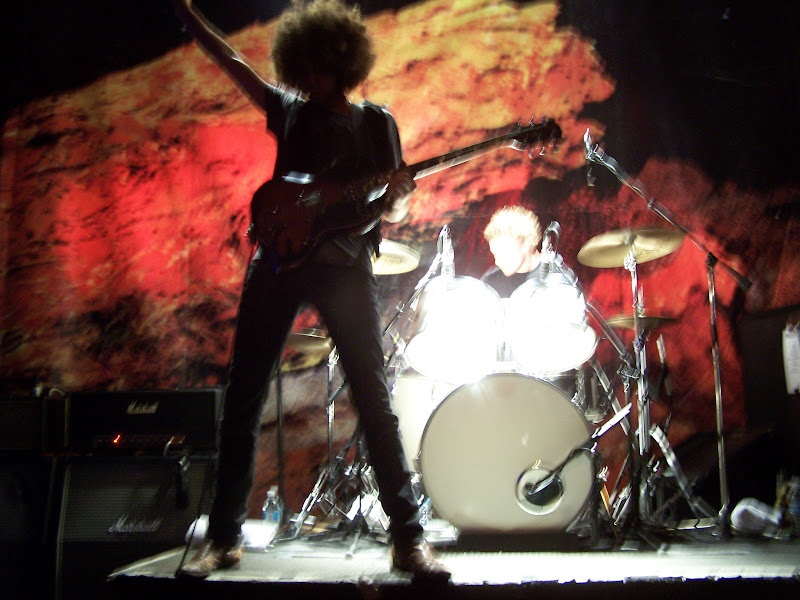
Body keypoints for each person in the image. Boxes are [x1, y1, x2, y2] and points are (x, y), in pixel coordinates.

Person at [170, 0, 449, 580]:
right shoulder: (290, 111)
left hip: (344, 265)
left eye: (323, 67)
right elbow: (234, 64)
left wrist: (400, 195)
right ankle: (223, 539)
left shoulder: (376, 123)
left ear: (341, 63)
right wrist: (192, 19)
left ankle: (408, 539)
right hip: (276, 261)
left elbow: (392, 209)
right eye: (307, 68)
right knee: (243, 396)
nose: (313, 78)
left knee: (373, 398)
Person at [480, 205, 547, 298]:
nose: (497, 262)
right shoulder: (490, 282)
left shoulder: (558, 281)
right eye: (495, 254)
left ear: (526, 244)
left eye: (504, 254)